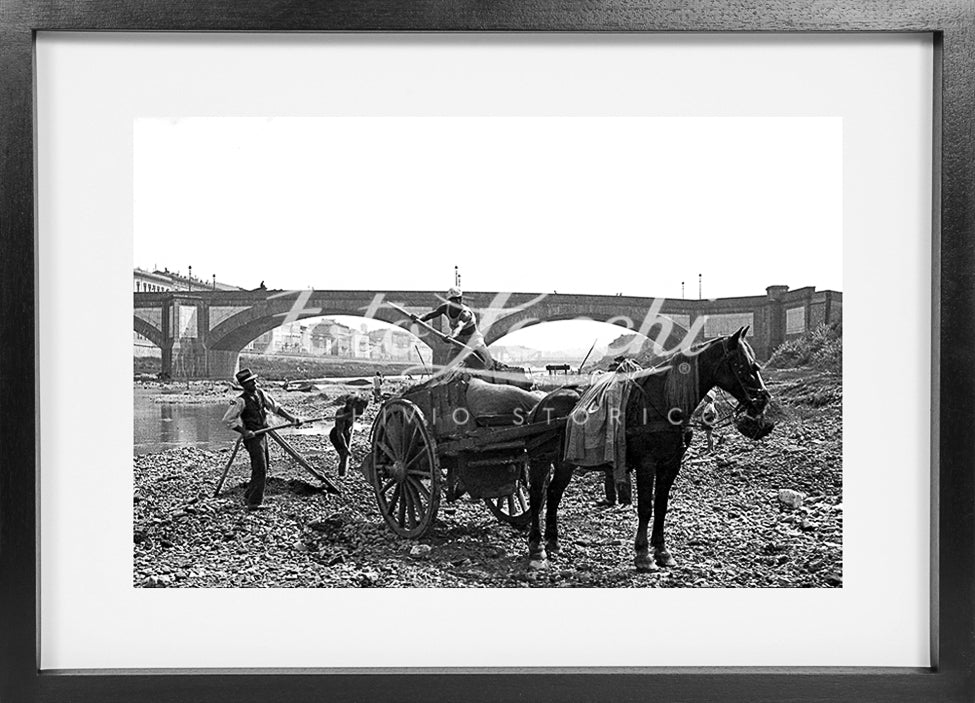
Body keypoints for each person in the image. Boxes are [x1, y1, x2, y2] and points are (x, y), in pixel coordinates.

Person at [222, 368, 303, 510]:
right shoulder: (239, 401)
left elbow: (276, 408)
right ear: (244, 385)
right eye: (250, 382)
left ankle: (248, 495)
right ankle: (254, 502)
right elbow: (228, 420)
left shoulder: (261, 394)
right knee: (260, 468)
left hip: (263, 434)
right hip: (252, 438)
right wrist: (244, 431)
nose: (254, 383)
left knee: (262, 466)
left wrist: (292, 419)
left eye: (254, 380)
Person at [416, 287, 494, 369]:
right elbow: (431, 315)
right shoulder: (445, 307)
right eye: (452, 301)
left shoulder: (465, 313)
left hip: (473, 339)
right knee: (450, 365)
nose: (454, 303)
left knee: (486, 363)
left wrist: (451, 336)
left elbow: (459, 327)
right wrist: (419, 319)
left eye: (457, 300)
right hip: (458, 339)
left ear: (460, 300)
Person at [329, 394, 370, 477]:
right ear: (348, 405)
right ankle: (341, 476)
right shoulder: (341, 412)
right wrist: (345, 447)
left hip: (346, 433)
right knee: (344, 456)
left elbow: (352, 422)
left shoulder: (358, 411)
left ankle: (344, 474)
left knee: (346, 457)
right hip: (337, 435)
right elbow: (339, 433)